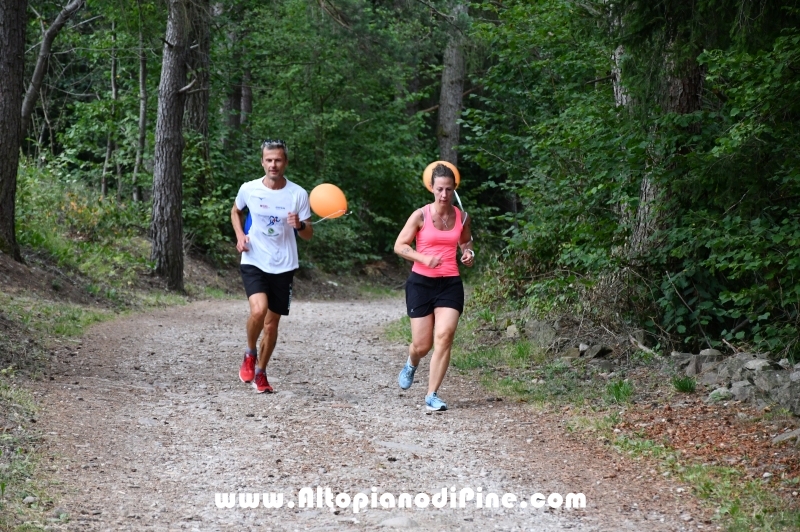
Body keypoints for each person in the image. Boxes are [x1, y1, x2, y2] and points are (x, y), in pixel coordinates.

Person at [231, 139, 313, 393]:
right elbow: (236, 211)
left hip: (284, 264)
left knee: (271, 323)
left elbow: (308, 234)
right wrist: (239, 236)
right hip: (255, 259)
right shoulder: (250, 189)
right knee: (259, 311)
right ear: (262, 161)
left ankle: (261, 373)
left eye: (278, 160)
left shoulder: (297, 194)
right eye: (269, 160)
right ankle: (249, 352)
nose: (273, 164)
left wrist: (299, 224)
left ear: (285, 162)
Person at [394, 163, 475, 411]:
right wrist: (423, 258)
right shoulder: (420, 215)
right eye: (439, 189)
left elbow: (466, 240)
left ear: (454, 189)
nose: (444, 195)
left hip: (450, 283)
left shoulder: (462, 216)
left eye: (449, 190)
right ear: (431, 188)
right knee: (422, 344)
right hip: (421, 283)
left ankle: (432, 394)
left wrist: (468, 252)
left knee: (445, 336)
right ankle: (412, 362)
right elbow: (400, 246)